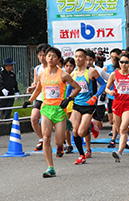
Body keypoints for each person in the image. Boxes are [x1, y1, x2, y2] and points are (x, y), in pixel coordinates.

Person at [23, 47, 81, 177]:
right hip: (46, 109)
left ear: (59, 59)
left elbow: (77, 88)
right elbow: (38, 90)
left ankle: (66, 127)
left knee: (58, 141)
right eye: (48, 55)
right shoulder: (42, 74)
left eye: (53, 56)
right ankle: (50, 167)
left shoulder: (63, 74)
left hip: (60, 110)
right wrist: (29, 101)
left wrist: (69, 98)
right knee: (46, 137)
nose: (50, 58)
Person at [67, 48, 106, 165]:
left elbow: (103, 84)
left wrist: (96, 96)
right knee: (75, 131)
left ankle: (91, 125)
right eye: (76, 56)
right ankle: (81, 155)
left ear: (85, 59)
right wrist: (66, 100)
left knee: (82, 132)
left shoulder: (91, 71)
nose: (77, 59)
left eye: (80, 56)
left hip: (89, 105)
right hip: (77, 105)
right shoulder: (73, 74)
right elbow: (69, 89)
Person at [105, 52, 129, 162]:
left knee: (122, 129)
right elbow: (106, 88)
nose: (123, 64)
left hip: (128, 104)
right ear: (119, 63)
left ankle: (119, 152)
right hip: (117, 104)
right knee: (118, 129)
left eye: (126, 62)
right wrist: (110, 91)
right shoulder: (114, 74)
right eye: (121, 62)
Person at [84, 49, 109, 158]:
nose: (88, 62)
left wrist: (105, 91)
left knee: (95, 126)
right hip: (86, 102)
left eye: (90, 60)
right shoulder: (81, 72)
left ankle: (96, 125)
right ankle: (88, 149)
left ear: (94, 60)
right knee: (86, 127)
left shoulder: (99, 71)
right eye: (86, 60)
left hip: (99, 101)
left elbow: (109, 80)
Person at [26, 43, 50, 151]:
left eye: (44, 55)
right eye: (39, 55)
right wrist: (32, 88)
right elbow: (36, 84)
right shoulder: (37, 69)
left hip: (52, 99)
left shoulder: (55, 68)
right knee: (34, 119)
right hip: (40, 98)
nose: (41, 58)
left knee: (54, 122)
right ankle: (41, 140)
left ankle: (61, 142)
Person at [103, 48, 122, 148]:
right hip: (111, 97)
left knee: (116, 120)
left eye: (115, 58)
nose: (113, 60)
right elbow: (101, 81)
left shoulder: (122, 68)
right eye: (112, 58)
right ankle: (127, 131)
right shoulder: (107, 68)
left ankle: (113, 140)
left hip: (121, 98)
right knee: (111, 121)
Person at [63, 57, 76, 154]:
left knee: (73, 125)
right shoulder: (62, 76)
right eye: (67, 66)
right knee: (66, 126)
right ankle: (69, 145)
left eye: (71, 66)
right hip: (64, 102)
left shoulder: (76, 76)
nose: (69, 68)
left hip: (74, 102)